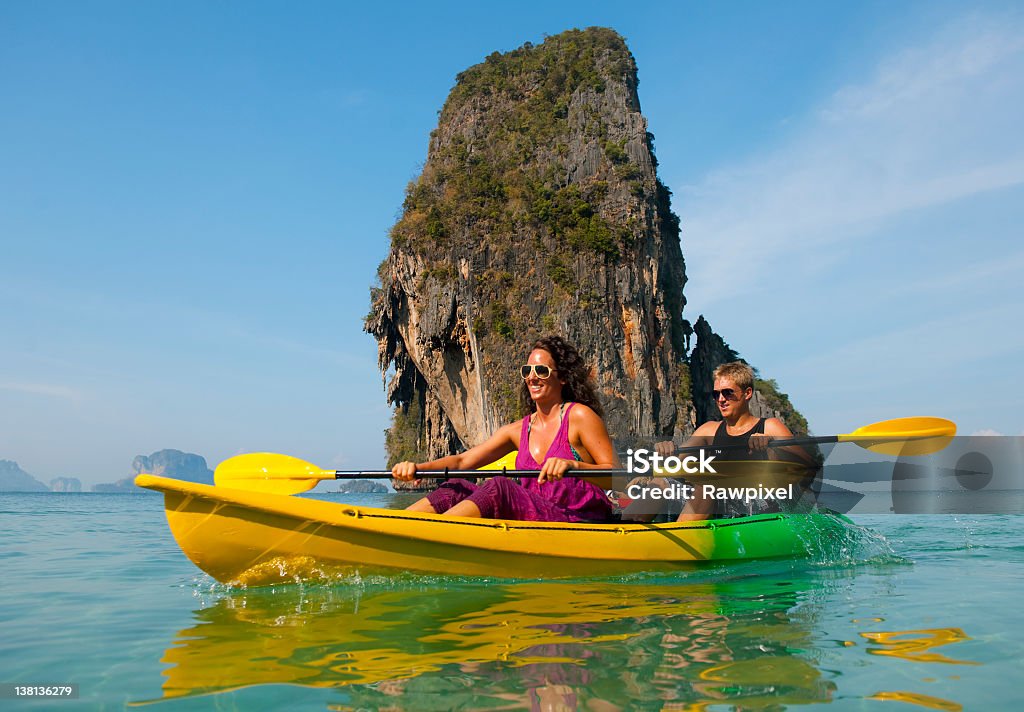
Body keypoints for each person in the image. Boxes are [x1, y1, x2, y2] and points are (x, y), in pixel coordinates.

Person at [391, 335, 618, 522]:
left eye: (541, 370)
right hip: (535, 516)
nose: (532, 377)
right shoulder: (518, 430)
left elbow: (617, 477)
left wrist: (573, 465)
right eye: (527, 371)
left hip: (579, 518)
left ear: (563, 378)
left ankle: (435, 536)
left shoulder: (579, 416)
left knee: (501, 486)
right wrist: (419, 468)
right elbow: (463, 462)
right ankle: (398, 529)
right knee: (456, 488)